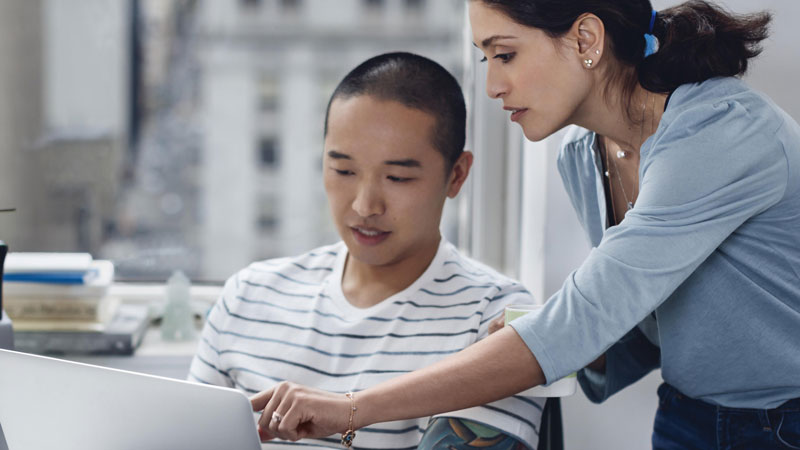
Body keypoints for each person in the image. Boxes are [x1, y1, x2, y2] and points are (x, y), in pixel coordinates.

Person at [249, 1, 800, 448]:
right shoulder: (584, 154)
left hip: (784, 422)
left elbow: (583, 316)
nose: (492, 85)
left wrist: (351, 408)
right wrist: (569, 343)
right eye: (485, 59)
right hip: (686, 415)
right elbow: (646, 319)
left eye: (505, 55)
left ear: (586, 39)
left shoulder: (720, 133)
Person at [189, 52, 546, 449]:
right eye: (343, 171)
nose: (364, 206)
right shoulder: (248, 295)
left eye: (398, 177)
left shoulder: (494, 322)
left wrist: (350, 411)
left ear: (456, 175)